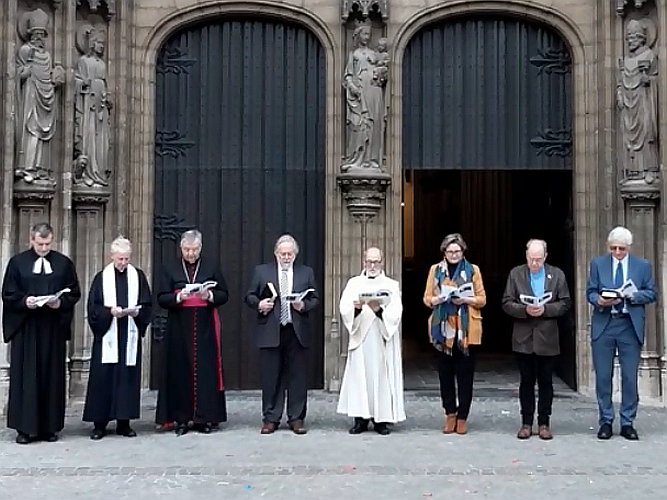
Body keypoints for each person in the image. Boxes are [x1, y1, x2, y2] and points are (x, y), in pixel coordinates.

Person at [2, 223, 81, 444]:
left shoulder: (63, 264)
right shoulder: (18, 263)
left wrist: (60, 303)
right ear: (31, 240)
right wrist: (24, 301)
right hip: (27, 328)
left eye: (47, 244)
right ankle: (25, 429)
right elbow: (8, 293)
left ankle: (49, 427)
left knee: (51, 376)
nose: (44, 248)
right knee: (27, 378)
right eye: (40, 244)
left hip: (52, 329)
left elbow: (74, 292)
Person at [155, 230, 229, 436]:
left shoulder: (211, 266)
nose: (190, 254)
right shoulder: (169, 268)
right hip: (178, 328)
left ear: (200, 248)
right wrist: (179, 298)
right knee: (179, 372)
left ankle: (204, 419)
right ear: (181, 248)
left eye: (194, 250)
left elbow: (224, 294)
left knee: (205, 372)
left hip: (205, 327)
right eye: (187, 250)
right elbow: (161, 297)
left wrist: (210, 295)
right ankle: (180, 419)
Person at [587, 226, 657, 440]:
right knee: (603, 376)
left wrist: (631, 296)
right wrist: (599, 300)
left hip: (629, 324)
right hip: (605, 323)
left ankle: (627, 422)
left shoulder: (642, 266)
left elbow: (651, 293)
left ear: (628, 248)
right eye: (613, 248)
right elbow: (590, 291)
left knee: (629, 376)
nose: (617, 252)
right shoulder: (598, 264)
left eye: (621, 249)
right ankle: (605, 420)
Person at [245, 234, 319, 435]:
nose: (286, 257)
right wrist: (260, 304)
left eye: (289, 254)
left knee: (298, 377)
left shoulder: (306, 272)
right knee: (271, 377)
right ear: (276, 253)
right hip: (271, 328)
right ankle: (271, 418)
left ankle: (296, 418)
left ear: (295, 255)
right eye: (282, 254)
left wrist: (303, 305)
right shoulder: (262, 271)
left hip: (296, 330)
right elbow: (250, 295)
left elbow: (315, 298)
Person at [83, 237, 152, 440]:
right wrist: (109, 312)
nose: (123, 262)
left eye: (126, 259)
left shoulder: (137, 277)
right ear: (112, 256)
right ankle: (99, 424)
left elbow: (147, 305)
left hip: (128, 335)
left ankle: (124, 422)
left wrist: (136, 313)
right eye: (120, 258)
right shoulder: (101, 278)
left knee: (127, 378)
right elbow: (93, 308)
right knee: (103, 378)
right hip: (108, 336)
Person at [502, 239, 571, 440]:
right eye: (532, 259)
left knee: (546, 382)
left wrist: (546, 309)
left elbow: (565, 303)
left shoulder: (557, 275)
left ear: (545, 257)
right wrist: (524, 310)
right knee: (526, 382)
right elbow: (506, 302)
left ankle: (544, 423)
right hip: (523, 337)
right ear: (526, 256)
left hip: (548, 337)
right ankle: (525, 423)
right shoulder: (516, 274)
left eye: (539, 260)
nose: (535, 264)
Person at [337, 247, 405, 435]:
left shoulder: (391, 284)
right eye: (369, 261)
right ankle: (360, 418)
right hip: (362, 338)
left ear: (382, 262)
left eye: (376, 262)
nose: (372, 265)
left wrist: (379, 311)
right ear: (363, 262)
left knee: (381, 377)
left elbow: (396, 311)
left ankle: (380, 420)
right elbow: (344, 308)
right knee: (360, 376)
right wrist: (356, 309)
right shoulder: (354, 283)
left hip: (381, 337)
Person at [423, 233, 486, 435]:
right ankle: (450, 413)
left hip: (466, 331)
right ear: (444, 252)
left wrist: (466, 300)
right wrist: (437, 299)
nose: (453, 254)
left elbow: (482, 299)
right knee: (445, 375)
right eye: (450, 251)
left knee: (465, 376)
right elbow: (426, 298)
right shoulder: (436, 270)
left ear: (463, 251)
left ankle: (462, 417)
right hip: (443, 330)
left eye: (457, 251)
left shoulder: (473, 270)